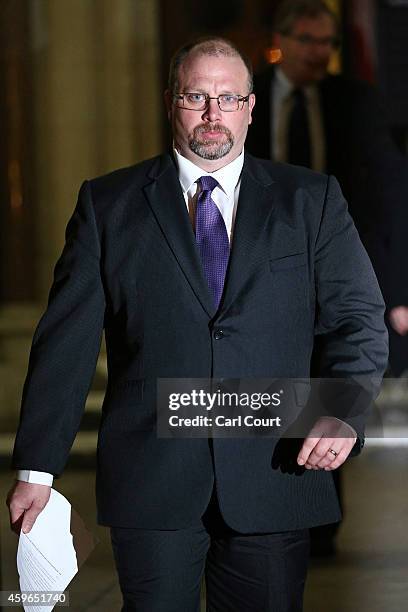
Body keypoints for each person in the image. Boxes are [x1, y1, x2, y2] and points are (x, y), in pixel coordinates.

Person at [7, 36, 387, 611]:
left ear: (251, 107)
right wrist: (37, 468)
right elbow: (66, 343)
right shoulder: (107, 206)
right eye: (196, 97)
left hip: (273, 470)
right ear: (170, 102)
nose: (213, 114)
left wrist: (340, 411)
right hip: (152, 479)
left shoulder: (311, 201)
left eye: (229, 98)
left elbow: (358, 319)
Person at [246, 0, 408, 378]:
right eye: (307, 40)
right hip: (262, 256)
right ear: (280, 40)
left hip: (341, 252)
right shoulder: (244, 97)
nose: (319, 53)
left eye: (327, 43)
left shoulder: (359, 101)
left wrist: (399, 292)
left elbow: (392, 196)